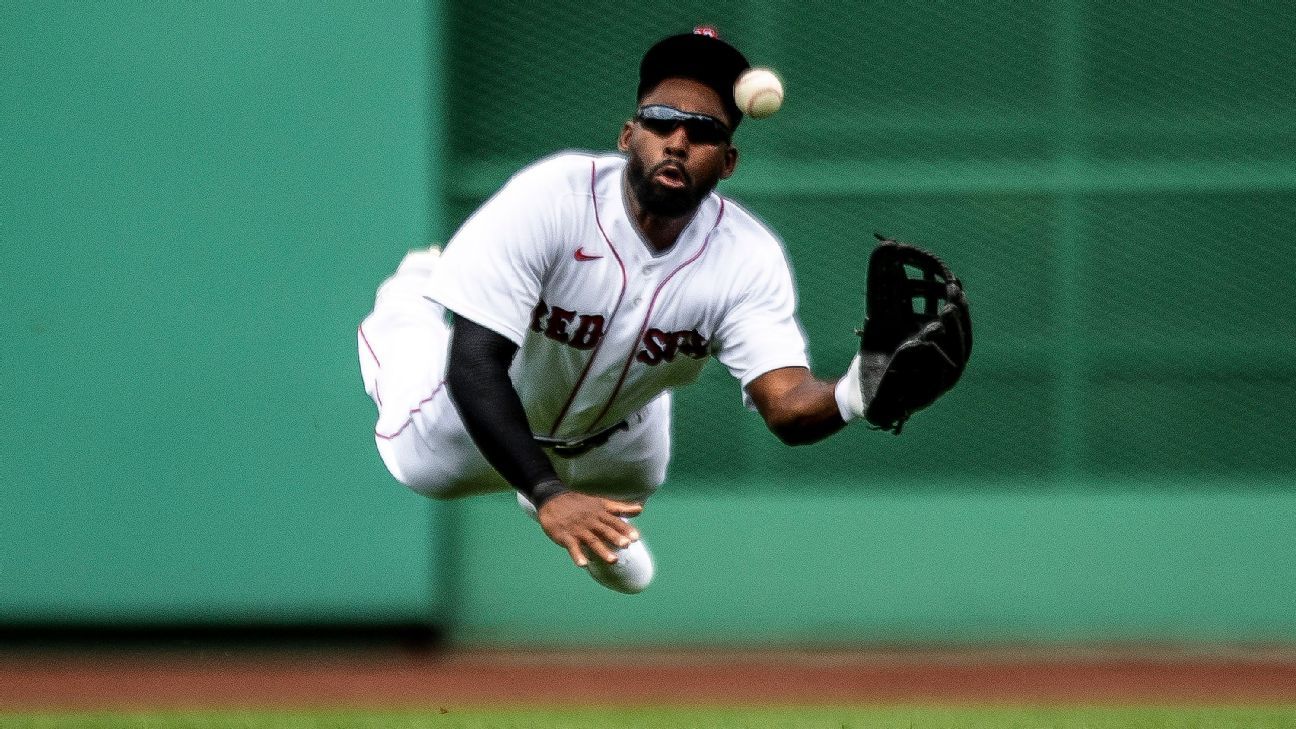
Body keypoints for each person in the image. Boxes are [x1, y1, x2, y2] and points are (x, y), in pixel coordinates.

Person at [358, 28, 870, 594]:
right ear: (629, 135)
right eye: (661, 121)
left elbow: (787, 404)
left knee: (634, 580)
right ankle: (414, 289)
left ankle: (573, 495)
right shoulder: (553, 198)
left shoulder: (747, 255)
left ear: (727, 161)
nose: (678, 141)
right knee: (410, 386)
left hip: (619, 450)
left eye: (703, 131)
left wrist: (860, 391)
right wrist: (548, 493)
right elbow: (474, 365)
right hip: (467, 431)